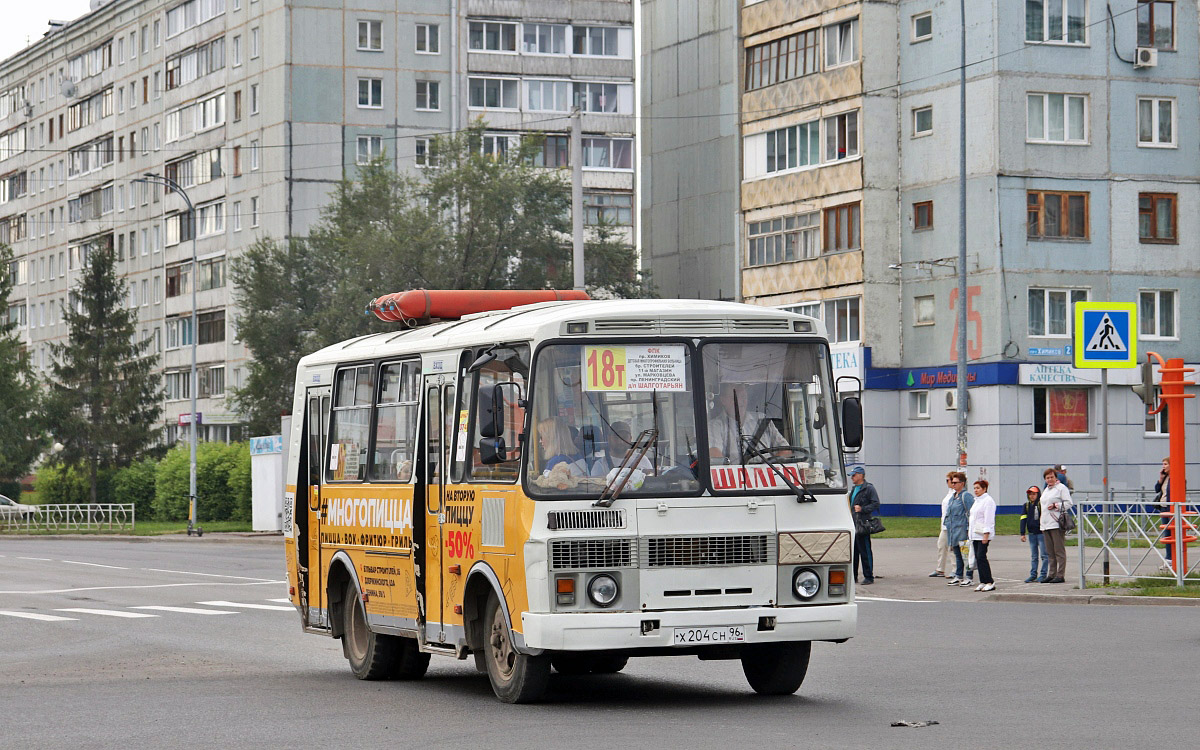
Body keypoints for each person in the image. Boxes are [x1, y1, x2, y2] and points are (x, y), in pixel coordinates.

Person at [708, 383, 786, 463]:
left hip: (768, 474)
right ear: (723, 400)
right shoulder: (715, 426)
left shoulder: (762, 420)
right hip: (735, 475)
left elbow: (786, 450)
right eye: (735, 397)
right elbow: (715, 455)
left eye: (743, 397)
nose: (740, 401)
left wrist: (771, 465)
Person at [1039, 466, 1073, 583]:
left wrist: (1056, 505)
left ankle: (1060, 574)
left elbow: (1069, 503)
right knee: (1050, 552)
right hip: (1045, 524)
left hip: (1056, 523)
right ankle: (1051, 574)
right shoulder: (1046, 490)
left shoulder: (1061, 488)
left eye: (1051, 477)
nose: (1049, 479)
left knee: (1059, 551)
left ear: (1056, 477)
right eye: (1047, 478)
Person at [848, 466, 880, 585]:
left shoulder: (869, 488)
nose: (852, 477)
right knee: (854, 552)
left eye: (854, 475)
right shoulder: (854, 489)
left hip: (863, 524)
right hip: (854, 523)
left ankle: (869, 576)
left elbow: (876, 503)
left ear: (861, 475)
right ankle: (853, 576)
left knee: (865, 550)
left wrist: (862, 509)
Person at [943, 471, 974, 586]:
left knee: (966, 555)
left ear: (962, 483)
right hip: (953, 530)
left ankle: (969, 577)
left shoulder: (966, 496)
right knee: (957, 554)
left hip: (962, 530)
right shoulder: (953, 496)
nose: (953, 484)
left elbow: (972, 512)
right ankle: (958, 575)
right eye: (952, 482)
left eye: (955, 482)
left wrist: (969, 528)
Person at [968, 479, 996, 592]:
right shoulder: (977, 501)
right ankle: (982, 581)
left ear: (984, 489)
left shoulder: (988, 501)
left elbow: (988, 519)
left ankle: (990, 581)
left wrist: (986, 534)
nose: (976, 490)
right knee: (977, 559)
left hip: (983, 535)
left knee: (981, 557)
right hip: (975, 534)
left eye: (978, 488)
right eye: (974, 488)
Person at [1019, 484, 1049, 582]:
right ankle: (1033, 574)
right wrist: (1022, 533)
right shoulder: (1026, 506)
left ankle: (1043, 574)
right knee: (1034, 556)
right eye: (1030, 494)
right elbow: (1023, 519)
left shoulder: (1041, 504)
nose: (1032, 496)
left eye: (1034, 494)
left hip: (1041, 533)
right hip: (1031, 534)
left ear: (1038, 494)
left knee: (1044, 555)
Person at [930, 471, 956, 577]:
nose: (947, 483)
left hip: (953, 526)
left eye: (948, 480)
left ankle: (956, 569)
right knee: (941, 545)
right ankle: (940, 569)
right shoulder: (949, 493)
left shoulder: (956, 494)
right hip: (945, 525)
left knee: (952, 548)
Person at [1154, 457, 1172, 571]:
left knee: (1172, 534)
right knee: (1167, 534)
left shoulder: (1176, 477)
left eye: (1165, 464)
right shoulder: (1165, 478)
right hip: (1164, 508)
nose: (1163, 466)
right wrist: (1160, 478)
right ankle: (1169, 559)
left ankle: (1172, 559)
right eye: (1163, 464)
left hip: (1172, 509)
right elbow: (1157, 489)